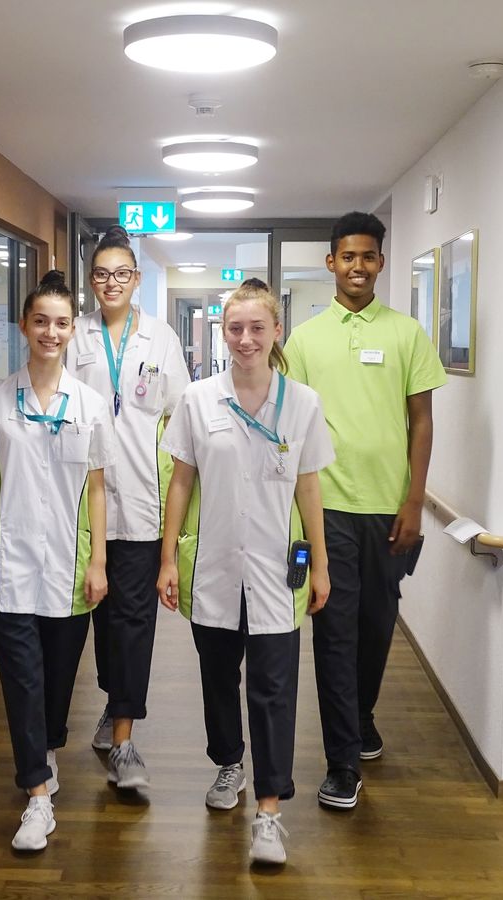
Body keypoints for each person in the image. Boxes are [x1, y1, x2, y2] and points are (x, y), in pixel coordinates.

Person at [156, 279, 334, 866]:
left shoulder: (302, 403)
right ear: (223, 332)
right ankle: (229, 762)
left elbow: (309, 486)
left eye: (258, 327)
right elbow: (181, 481)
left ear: (277, 331)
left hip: (276, 570)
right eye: (235, 328)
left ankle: (270, 811)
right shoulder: (198, 399)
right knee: (217, 678)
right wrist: (167, 559)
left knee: (275, 689)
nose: (246, 339)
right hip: (213, 568)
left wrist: (322, 563)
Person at [283, 212, 447, 810]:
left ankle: (362, 715)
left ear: (381, 262)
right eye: (347, 256)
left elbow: (422, 422)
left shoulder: (407, 333)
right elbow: (290, 425)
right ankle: (342, 762)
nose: (358, 266)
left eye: (368, 256)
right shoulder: (304, 340)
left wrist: (414, 501)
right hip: (325, 506)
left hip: (388, 508)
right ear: (331, 262)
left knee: (378, 626)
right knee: (333, 630)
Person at [0, 270, 111, 851]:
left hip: (69, 564)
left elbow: (98, 488)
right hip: (8, 564)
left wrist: (99, 562)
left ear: (72, 331)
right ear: (24, 326)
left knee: (58, 681)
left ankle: (45, 751)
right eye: (40, 321)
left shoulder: (90, 404)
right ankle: (37, 797)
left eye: (61, 323)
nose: (50, 332)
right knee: (21, 679)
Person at [65, 225, 189, 790]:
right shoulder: (76, 336)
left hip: (141, 503)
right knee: (99, 618)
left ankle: (124, 740)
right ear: (91, 280)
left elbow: (179, 415)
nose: (111, 282)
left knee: (134, 623)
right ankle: (113, 704)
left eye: (121, 273)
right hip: (84, 505)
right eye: (101, 274)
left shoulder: (161, 338)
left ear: (136, 279)